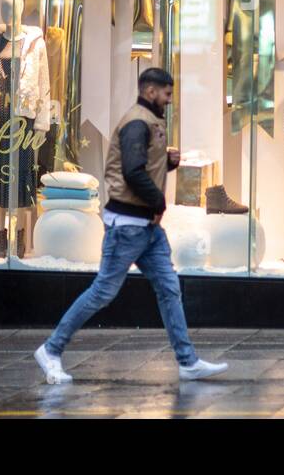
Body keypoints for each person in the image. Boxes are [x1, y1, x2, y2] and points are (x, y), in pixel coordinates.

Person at [35, 68, 228, 384]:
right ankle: (51, 350)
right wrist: (159, 202)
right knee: (102, 292)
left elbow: (140, 165)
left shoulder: (147, 121)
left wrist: (167, 163)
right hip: (127, 227)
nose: (170, 99)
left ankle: (187, 362)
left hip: (146, 229)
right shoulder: (137, 122)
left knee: (169, 288)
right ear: (150, 91)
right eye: (167, 93)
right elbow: (132, 172)